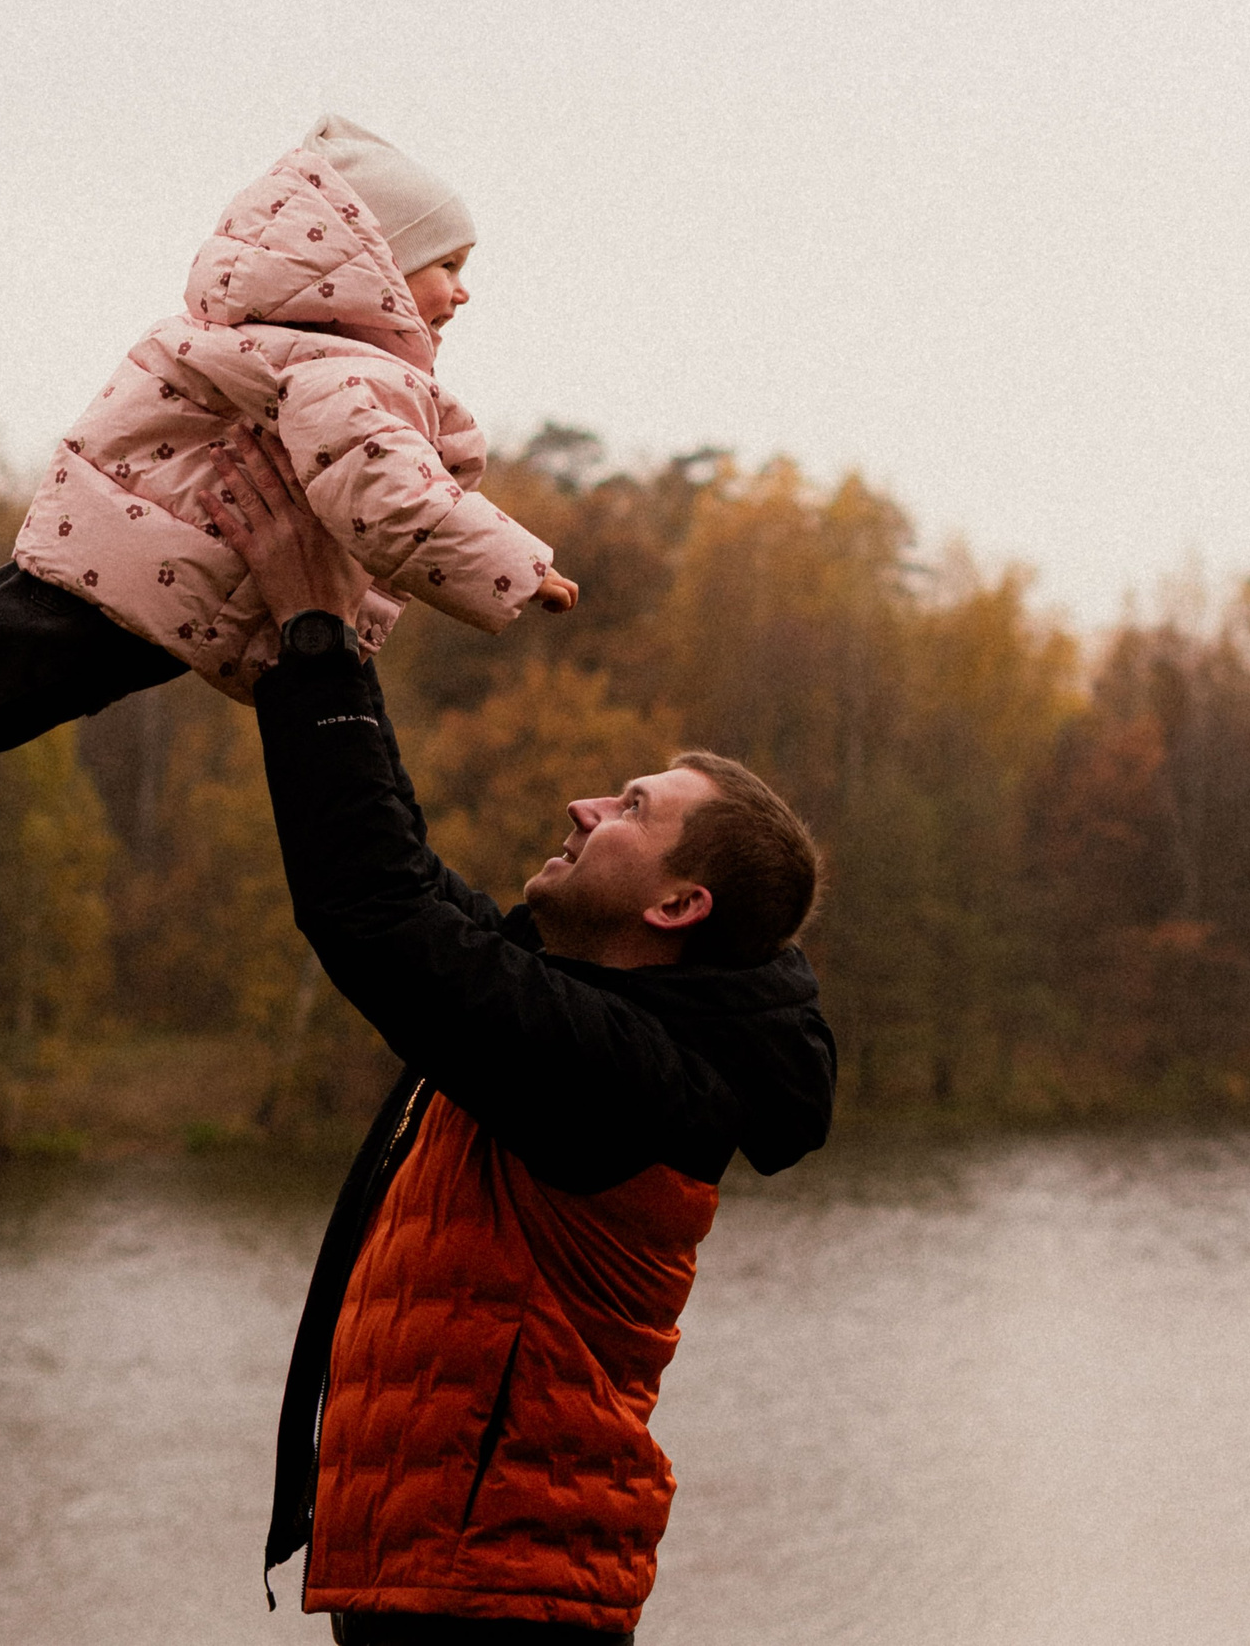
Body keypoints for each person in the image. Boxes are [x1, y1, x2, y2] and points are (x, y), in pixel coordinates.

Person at [206, 439, 837, 1643]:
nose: (585, 805)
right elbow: (411, 894)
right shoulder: (590, 1028)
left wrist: (316, 648)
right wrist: (324, 633)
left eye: (633, 809)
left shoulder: (628, 1080)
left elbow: (377, 914)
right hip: (458, 1577)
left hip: (499, 1598)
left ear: (677, 906)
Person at [0, 116, 576, 830]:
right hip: (157, 590)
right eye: (444, 263)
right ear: (369, 264)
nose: (462, 290)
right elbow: (384, 495)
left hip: (114, 543)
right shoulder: (352, 370)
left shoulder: (274, 339)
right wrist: (513, 566)